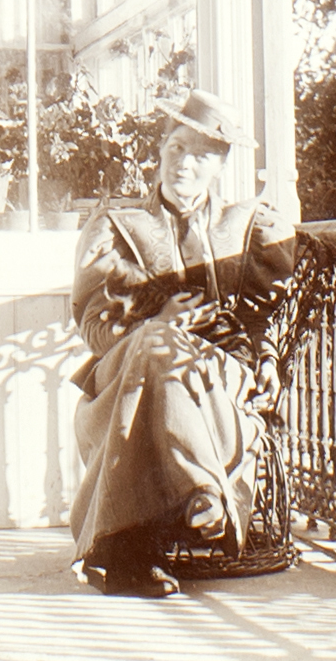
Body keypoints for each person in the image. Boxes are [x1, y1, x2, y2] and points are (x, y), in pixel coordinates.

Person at [69, 89, 295, 597]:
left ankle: (128, 552)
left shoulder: (247, 227)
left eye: (200, 155)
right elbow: (91, 327)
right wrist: (150, 323)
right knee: (155, 347)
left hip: (212, 379)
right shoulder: (120, 227)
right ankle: (203, 493)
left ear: (219, 165)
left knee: (164, 355)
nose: (184, 165)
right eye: (176, 149)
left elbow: (270, 316)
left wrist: (269, 359)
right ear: (161, 150)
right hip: (121, 375)